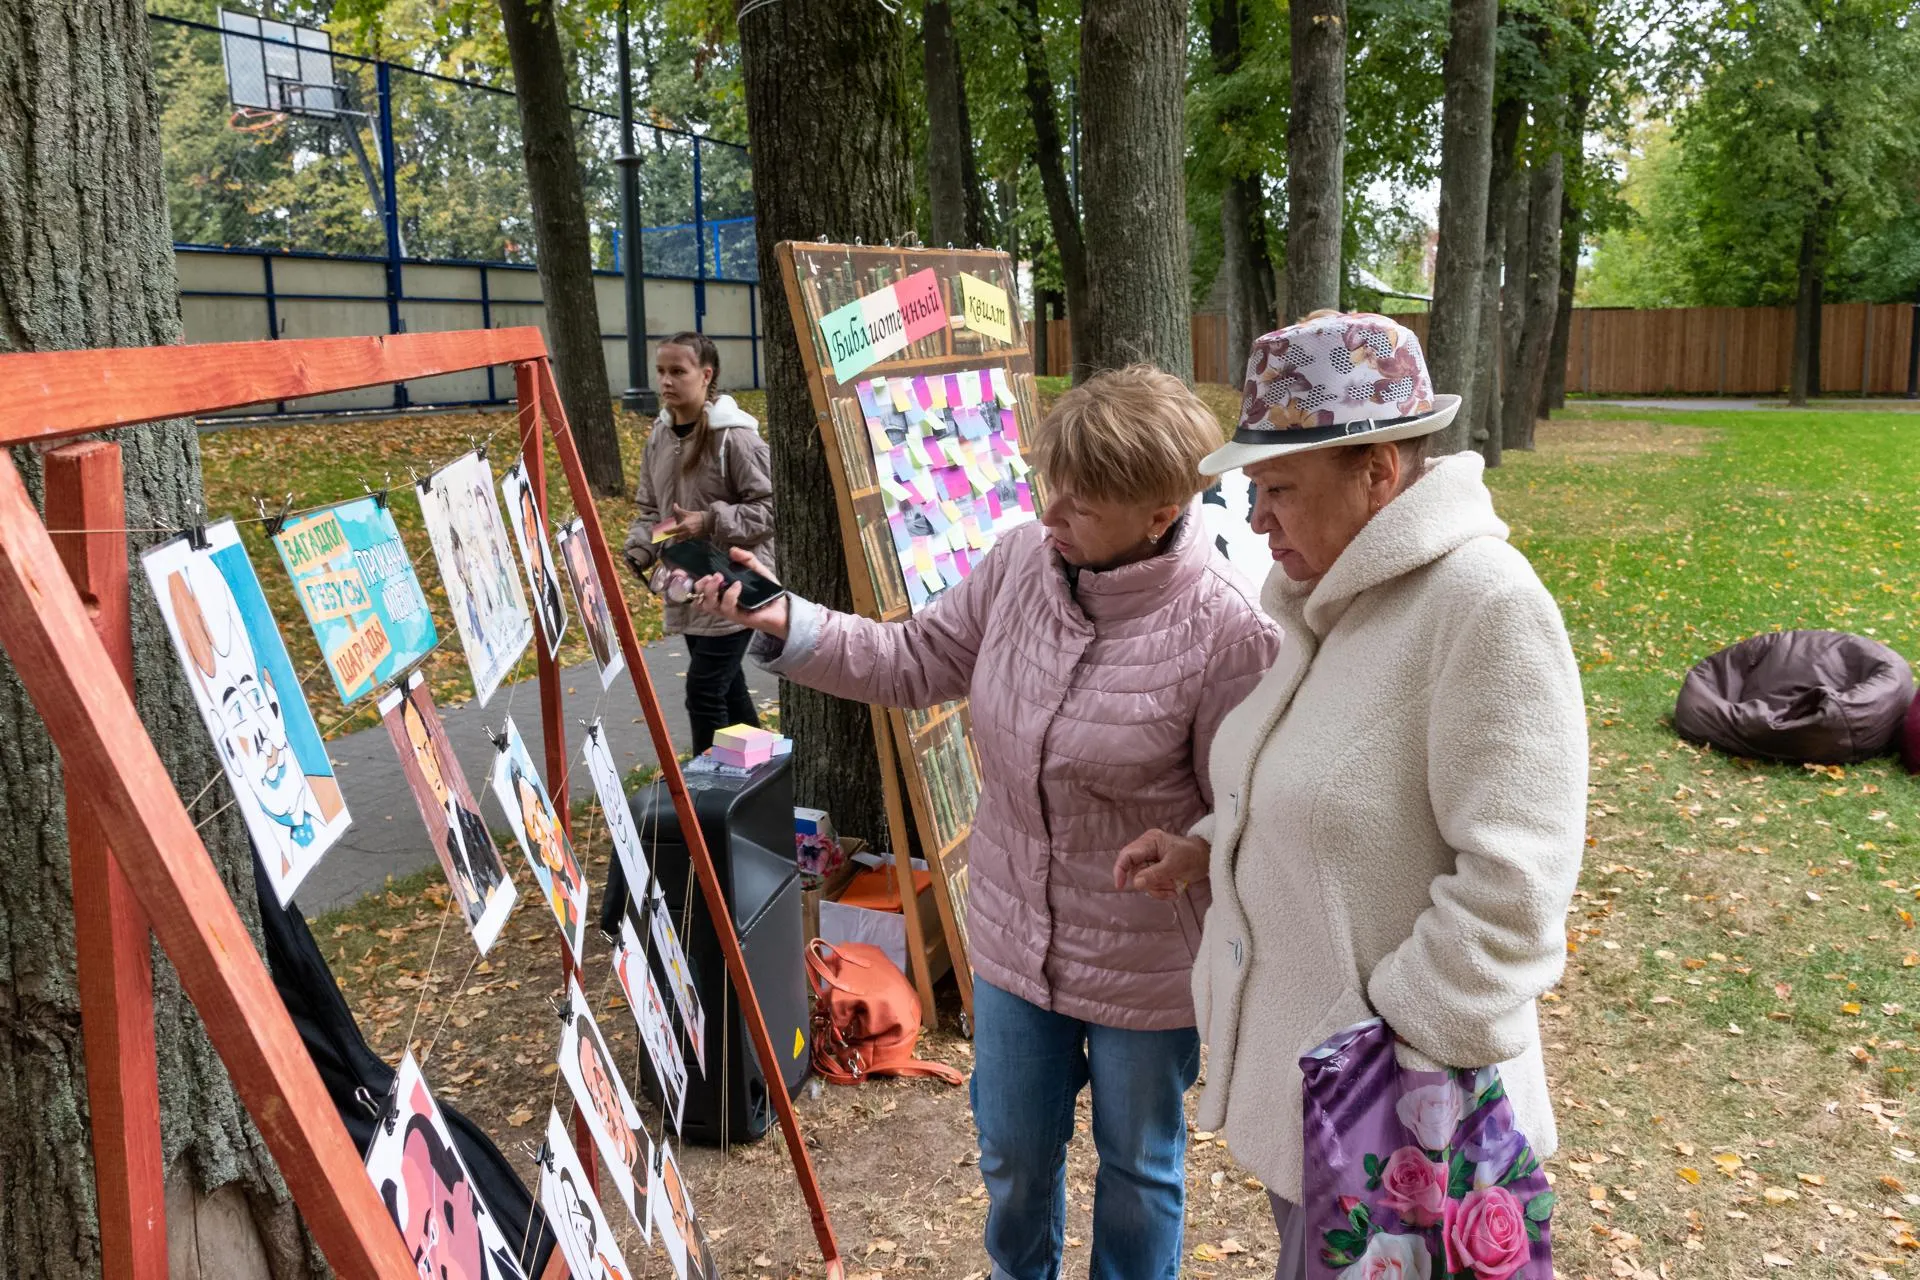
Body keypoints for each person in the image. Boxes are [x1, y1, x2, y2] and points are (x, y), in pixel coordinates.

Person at [678, 365, 1282, 1280]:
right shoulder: (1018, 565)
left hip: (1146, 957)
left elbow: (1247, 808)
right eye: (1052, 490)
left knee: (1138, 1170)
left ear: (1161, 509)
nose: (1051, 516)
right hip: (1010, 932)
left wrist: (1198, 853)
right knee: (1010, 1153)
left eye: (1081, 504)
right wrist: (784, 617)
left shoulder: (1227, 631)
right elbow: (912, 658)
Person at [1114, 312, 1587, 1278]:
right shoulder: (1325, 597)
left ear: (1378, 471)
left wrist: (1387, 1045)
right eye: (1253, 491)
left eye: (1277, 489)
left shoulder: (1483, 604)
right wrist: (1213, 844)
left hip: (1403, 1122)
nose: (1255, 522)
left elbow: (1517, 889)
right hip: (1330, 1110)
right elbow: (1320, 779)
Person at [623, 332, 774, 754]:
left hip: (735, 585)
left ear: (705, 375)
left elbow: (770, 508)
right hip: (689, 587)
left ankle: (707, 800)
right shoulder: (661, 436)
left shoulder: (735, 437)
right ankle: (766, 776)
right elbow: (653, 511)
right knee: (728, 691)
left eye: (678, 371)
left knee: (704, 693)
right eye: (661, 371)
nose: (666, 381)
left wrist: (709, 521)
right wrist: (642, 546)